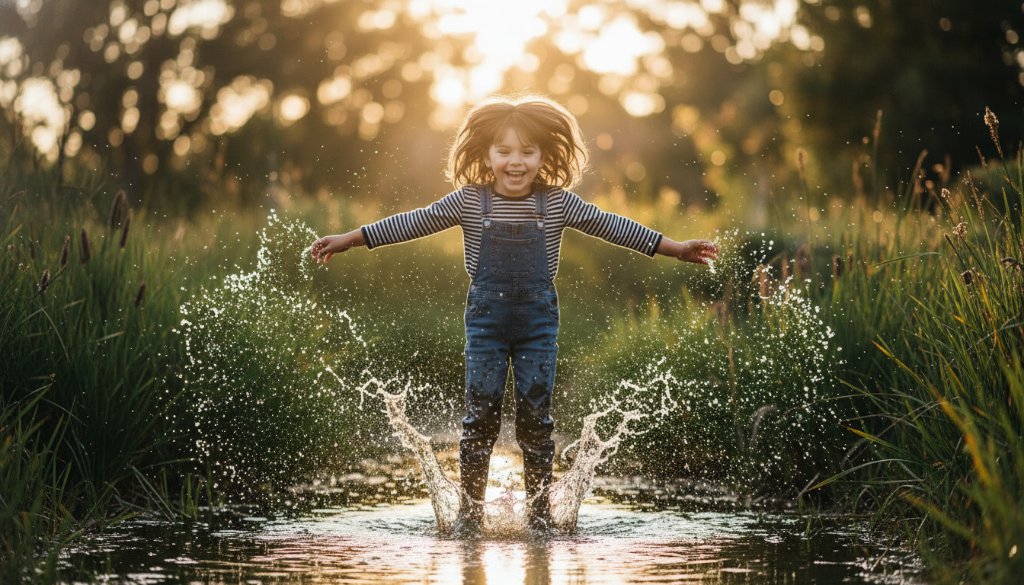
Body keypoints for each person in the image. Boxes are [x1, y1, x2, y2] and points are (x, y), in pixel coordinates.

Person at [310, 95, 718, 537]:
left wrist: (675, 248)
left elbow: (613, 225)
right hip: (485, 324)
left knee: (536, 421)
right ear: (487, 154)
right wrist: (350, 239)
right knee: (479, 417)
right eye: (504, 151)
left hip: (538, 326)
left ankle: (540, 520)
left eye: (527, 151)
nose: (515, 162)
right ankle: (469, 518)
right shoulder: (468, 201)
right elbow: (413, 222)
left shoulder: (558, 204)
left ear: (545, 156)